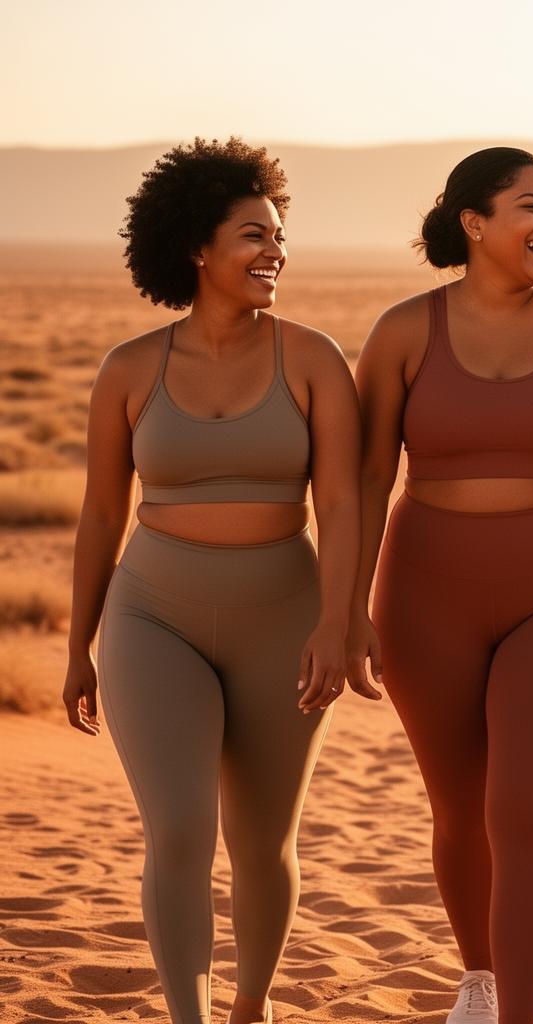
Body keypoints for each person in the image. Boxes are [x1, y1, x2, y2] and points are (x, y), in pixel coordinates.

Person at [61, 137, 374, 1024]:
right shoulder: (130, 369)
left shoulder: (312, 358)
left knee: (263, 839)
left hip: (286, 617)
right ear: (198, 248)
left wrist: (337, 623)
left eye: (280, 235)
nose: (276, 251)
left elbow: (342, 504)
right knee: (180, 828)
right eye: (254, 235)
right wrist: (79, 646)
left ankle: (250, 1006)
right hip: (152, 616)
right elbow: (100, 516)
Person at [347, 147, 533, 1024]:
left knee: (526, 813)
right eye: (532, 206)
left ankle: (519, 1012)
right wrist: (346, 609)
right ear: (474, 223)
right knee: (457, 809)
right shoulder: (405, 331)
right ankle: (478, 980)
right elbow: (366, 479)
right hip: (423, 593)